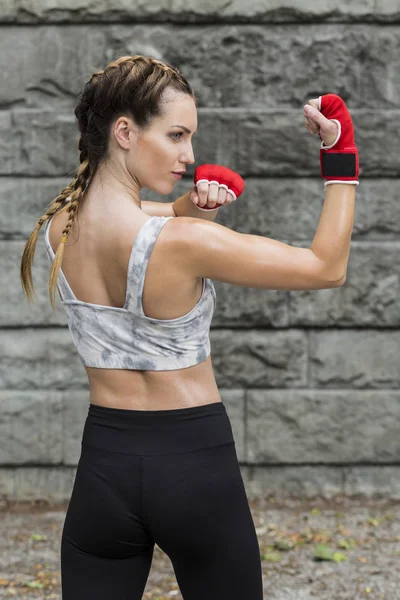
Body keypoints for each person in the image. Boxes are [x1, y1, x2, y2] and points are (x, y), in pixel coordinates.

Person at [19, 55, 358, 599]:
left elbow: (134, 222)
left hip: (104, 470)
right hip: (194, 466)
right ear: (125, 131)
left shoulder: (61, 225)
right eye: (177, 135)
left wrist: (185, 207)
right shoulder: (184, 244)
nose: (189, 155)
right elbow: (327, 267)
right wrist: (340, 156)